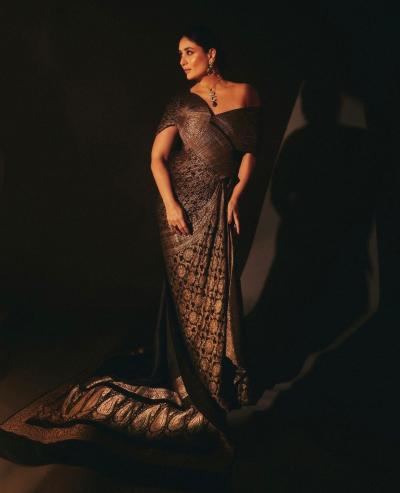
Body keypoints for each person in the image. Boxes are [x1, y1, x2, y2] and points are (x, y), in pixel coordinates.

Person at [0, 25, 262, 476]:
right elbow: (157, 158)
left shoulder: (246, 93)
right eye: (179, 54)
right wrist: (171, 205)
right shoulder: (180, 103)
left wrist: (237, 196)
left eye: (189, 51)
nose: (182, 60)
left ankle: (217, 378)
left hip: (219, 205)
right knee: (187, 299)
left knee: (219, 292)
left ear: (212, 53)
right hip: (179, 210)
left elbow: (249, 151)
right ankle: (191, 380)